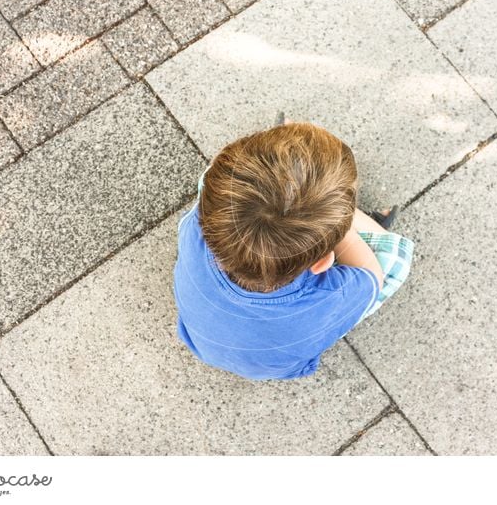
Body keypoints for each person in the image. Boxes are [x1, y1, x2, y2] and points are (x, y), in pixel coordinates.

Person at [173, 119, 414, 380]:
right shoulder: (329, 297)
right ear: (323, 263)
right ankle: (351, 220)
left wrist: (316, 210)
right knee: (393, 262)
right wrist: (339, 223)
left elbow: (213, 184)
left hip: (198, 338)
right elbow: (372, 276)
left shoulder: (195, 228)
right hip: (279, 364)